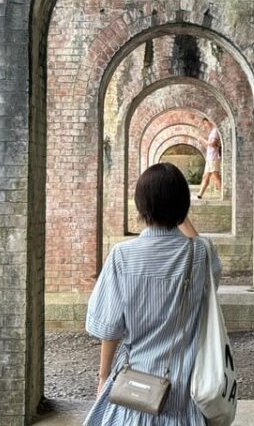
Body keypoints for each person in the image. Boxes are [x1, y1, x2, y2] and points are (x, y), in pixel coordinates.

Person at [84, 162, 222, 426]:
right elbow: (200, 248)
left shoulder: (122, 257)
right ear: (184, 206)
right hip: (187, 386)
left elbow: (109, 328)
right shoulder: (202, 254)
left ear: (140, 206)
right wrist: (180, 215)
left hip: (136, 385)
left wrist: (103, 377)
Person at [197, 118, 222, 200]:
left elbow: (212, 143)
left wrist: (202, 139)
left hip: (213, 158)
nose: (205, 125)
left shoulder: (215, 131)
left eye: (205, 123)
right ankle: (200, 195)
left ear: (209, 121)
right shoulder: (212, 132)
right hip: (209, 158)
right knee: (205, 176)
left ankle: (223, 195)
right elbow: (214, 145)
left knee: (215, 176)